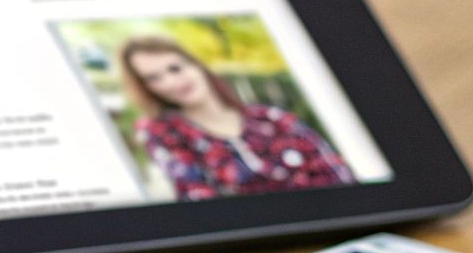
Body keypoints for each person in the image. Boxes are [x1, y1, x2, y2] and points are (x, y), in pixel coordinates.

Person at [118, 35, 354, 199]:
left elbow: (336, 174)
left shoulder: (272, 119)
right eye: (153, 78)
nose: (170, 82)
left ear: (195, 65)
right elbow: (196, 195)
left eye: (175, 68)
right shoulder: (165, 134)